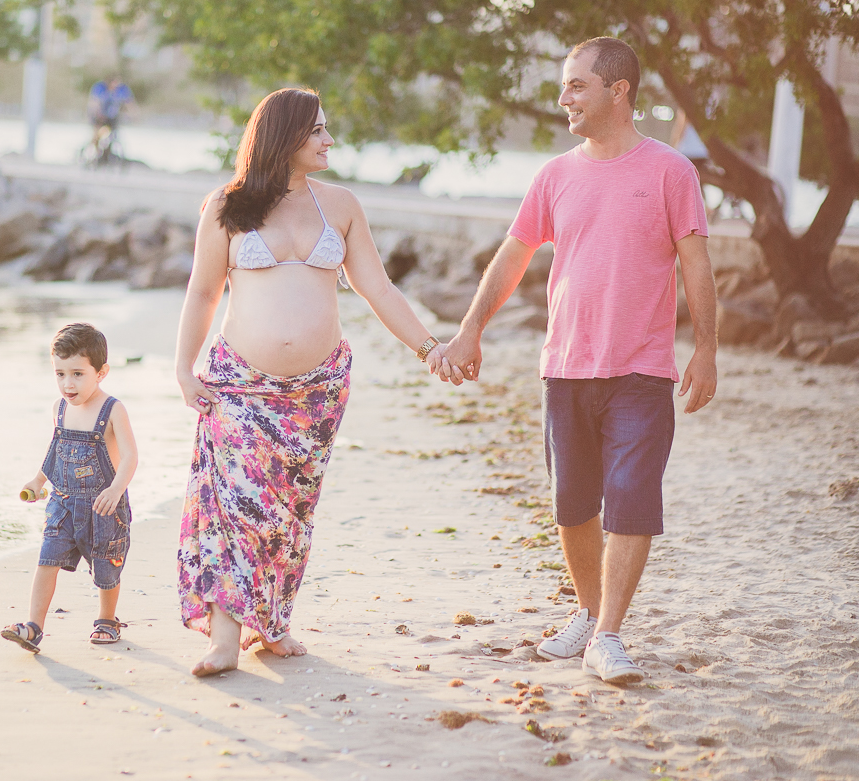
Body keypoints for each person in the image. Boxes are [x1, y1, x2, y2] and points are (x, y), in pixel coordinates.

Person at [436, 37, 718, 684]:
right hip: (564, 366)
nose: (564, 98)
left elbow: (696, 262)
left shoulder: (671, 170)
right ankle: (588, 616)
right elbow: (513, 256)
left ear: (618, 91)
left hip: (642, 369)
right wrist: (469, 330)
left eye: (575, 86)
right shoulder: (555, 175)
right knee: (573, 505)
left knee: (631, 498)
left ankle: (610, 634)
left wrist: (706, 348)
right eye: (564, 86)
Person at [175, 87, 445, 677]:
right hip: (240, 384)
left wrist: (429, 347)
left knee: (290, 509)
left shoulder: (340, 205)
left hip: (317, 392)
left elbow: (378, 289)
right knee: (237, 508)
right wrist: (183, 368)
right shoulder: (227, 205)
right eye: (317, 130)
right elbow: (202, 291)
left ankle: (273, 624)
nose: (328, 140)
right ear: (286, 137)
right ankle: (225, 638)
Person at [2, 323, 139, 653]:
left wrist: (116, 489)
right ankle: (33, 626)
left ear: (101, 372)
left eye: (77, 373)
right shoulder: (59, 409)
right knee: (47, 559)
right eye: (60, 374)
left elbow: (131, 456)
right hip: (62, 502)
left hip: (103, 505)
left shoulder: (112, 410)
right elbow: (55, 450)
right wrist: (38, 480)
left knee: (106, 566)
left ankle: (107, 619)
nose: (68, 383)